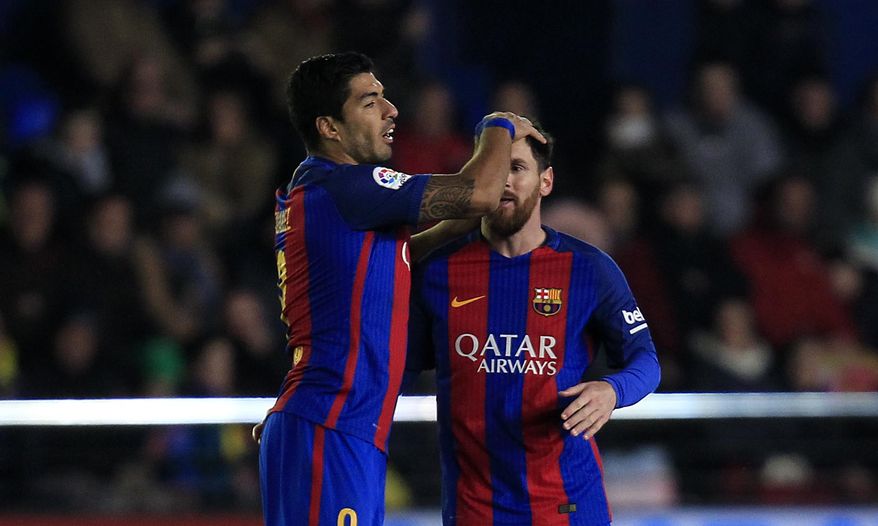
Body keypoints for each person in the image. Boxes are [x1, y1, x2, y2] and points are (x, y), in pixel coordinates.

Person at [255, 52, 545, 526]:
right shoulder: (352, 186)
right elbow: (480, 192)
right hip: (333, 425)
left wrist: (456, 226)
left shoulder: (326, 193)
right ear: (329, 127)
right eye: (371, 102)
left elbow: (395, 257)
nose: (392, 111)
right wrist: (499, 125)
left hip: (336, 427)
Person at [407, 122, 660, 524]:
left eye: (517, 168)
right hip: (474, 507)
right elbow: (393, 367)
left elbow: (646, 362)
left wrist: (612, 390)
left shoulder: (589, 269)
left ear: (546, 182)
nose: (503, 182)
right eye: (492, 171)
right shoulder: (436, 271)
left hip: (567, 503)